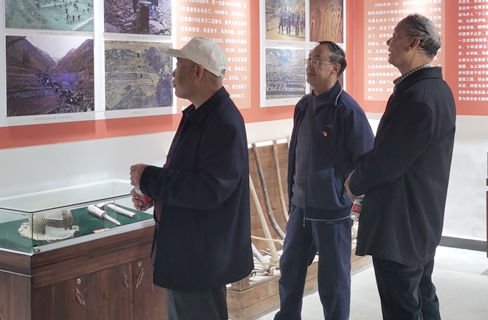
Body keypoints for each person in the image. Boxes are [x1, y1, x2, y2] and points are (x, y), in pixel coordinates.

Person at [129, 37, 253, 320]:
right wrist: (154, 194)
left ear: (198, 72)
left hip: (200, 258)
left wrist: (150, 177)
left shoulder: (223, 122)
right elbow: (187, 175)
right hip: (190, 253)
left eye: (179, 64)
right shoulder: (201, 115)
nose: (173, 73)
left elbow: (209, 189)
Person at [344, 14, 456, 320]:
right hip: (417, 219)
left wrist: (355, 182)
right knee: (422, 298)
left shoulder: (418, 98)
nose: (388, 42)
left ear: (413, 43)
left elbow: (388, 161)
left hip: (401, 223)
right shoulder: (433, 90)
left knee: (402, 307)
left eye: (394, 35)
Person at [275, 41, 375, 320]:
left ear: (336, 68)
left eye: (317, 60)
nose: (310, 65)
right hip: (300, 208)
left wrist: (349, 196)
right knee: (289, 272)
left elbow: (367, 159)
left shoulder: (347, 109)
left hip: (332, 212)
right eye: (309, 59)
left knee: (333, 283)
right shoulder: (303, 106)